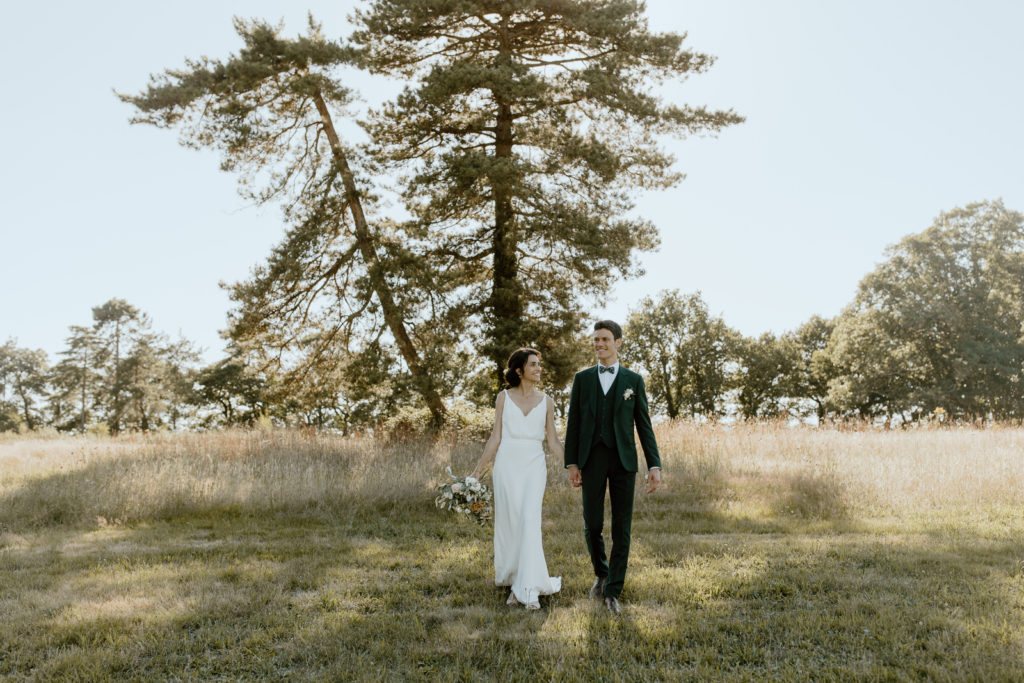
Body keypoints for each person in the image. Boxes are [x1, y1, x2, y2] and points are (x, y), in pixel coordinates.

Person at [564, 320, 661, 615]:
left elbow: (643, 425)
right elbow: (574, 424)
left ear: (618, 342)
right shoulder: (582, 379)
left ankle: (614, 590)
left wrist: (654, 464)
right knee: (592, 523)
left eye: (605, 339)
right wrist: (572, 463)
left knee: (622, 526)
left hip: (623, 460)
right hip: (591, 459)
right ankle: (601, 572)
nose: (599, 344)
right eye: (595, 340)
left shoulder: (634, 380)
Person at [471, 348, 563, 610]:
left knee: (528, 520)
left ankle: (527, 587)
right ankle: (515, 580)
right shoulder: (503, 397)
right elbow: (495, 437)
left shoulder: (547, 401)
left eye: (539, 365)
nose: (539, 369)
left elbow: (554, 441)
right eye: (533, 365)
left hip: (534, 466)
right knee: (511, 523)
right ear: (519, 370)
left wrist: (573, 466)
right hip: (507, 466)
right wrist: (478, 469)